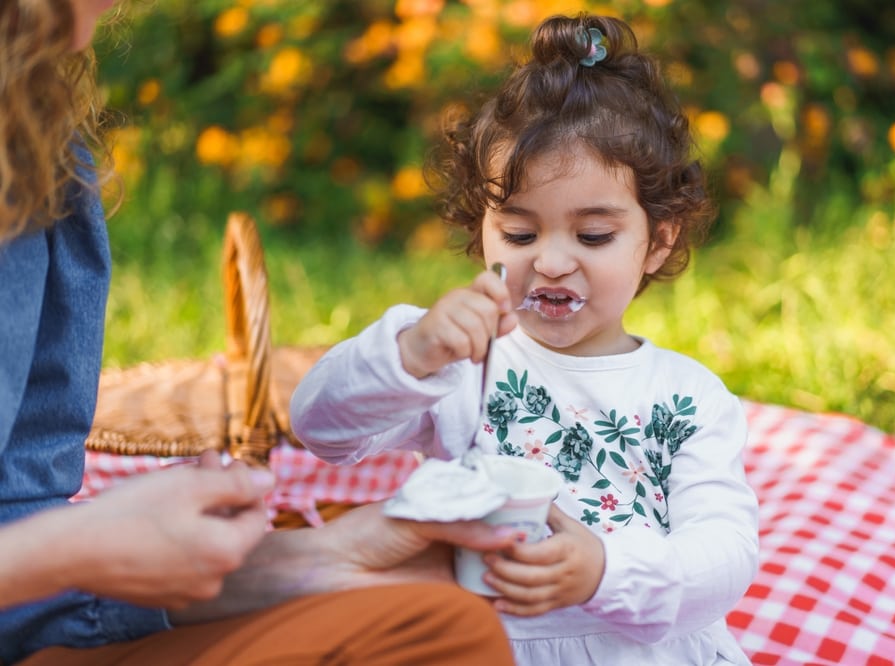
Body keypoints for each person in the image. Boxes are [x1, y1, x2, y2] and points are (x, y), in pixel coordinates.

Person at [0, 1, 516, 663]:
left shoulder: (38, 143)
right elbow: (324, 418)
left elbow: (18, 514)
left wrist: (307, 561)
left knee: (433, 628)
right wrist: (87, 544)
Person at [290, 12, 760, 666]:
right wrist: (409, 354)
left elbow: (726, 553)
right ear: (482, 227)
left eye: (593, 236)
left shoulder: (687, 398)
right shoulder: (464, 365)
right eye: (519, 234)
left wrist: (605, 569)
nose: (553, 261)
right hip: (487, 646)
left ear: (658, 240)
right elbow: (321, 429)